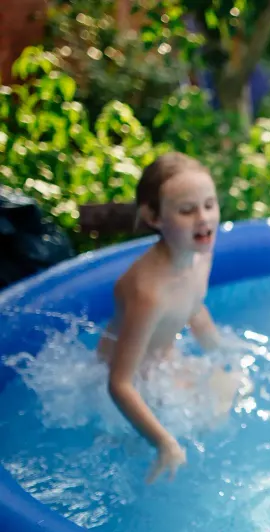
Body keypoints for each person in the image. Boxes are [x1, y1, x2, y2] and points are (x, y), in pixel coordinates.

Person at [97, 152, 228, 484]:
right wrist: (163, 442)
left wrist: (222, 352)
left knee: (232, 391)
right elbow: (119, 383)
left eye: (209, 205)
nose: (204, 218)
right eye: (187, 210)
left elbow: (193, 306)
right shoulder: (149, 292)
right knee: (204, 423)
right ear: (153, 217)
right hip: (135, 381)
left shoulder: (201, 254)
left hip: (165, 360)